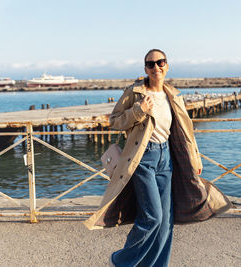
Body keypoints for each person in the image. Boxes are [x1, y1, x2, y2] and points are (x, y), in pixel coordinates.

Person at [84, 49, 232, 266]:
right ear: (145, 69)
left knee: (166, 222)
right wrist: (138, 110)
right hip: (143, 158)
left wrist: (195, 158)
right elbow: (114, 121)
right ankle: (120, 260)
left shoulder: (173, 95)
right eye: (151, 64)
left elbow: (186, 130)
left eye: (160, 62)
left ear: (167, 66)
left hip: (167, 158)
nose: (156, 67)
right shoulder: (134, 93)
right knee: (153, 216)